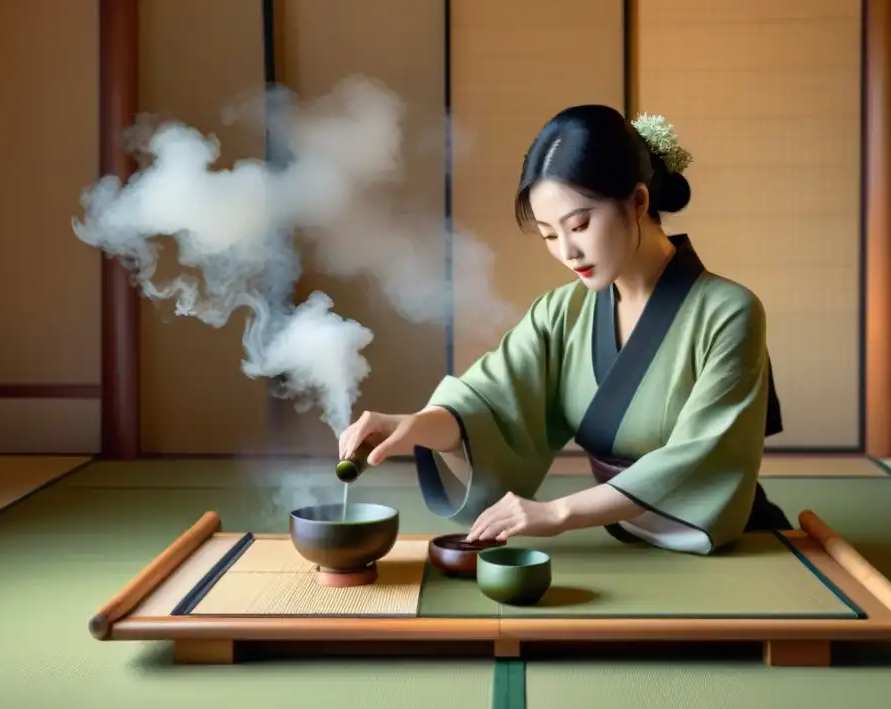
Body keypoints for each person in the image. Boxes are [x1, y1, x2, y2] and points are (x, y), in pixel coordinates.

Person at [338, 104, 790, 555]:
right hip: (621, 539)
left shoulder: (730, 312)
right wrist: (415, 426)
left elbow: (702, 456)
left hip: (723, 543)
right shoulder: (560, 312)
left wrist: (556, 513)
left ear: (638, 201)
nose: (568, 251)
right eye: (549, 236)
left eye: (579, 225)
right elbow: (489, 405)